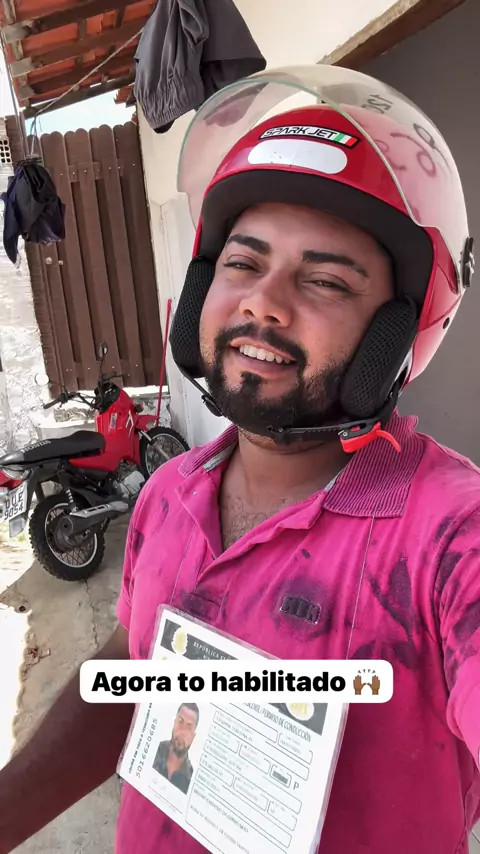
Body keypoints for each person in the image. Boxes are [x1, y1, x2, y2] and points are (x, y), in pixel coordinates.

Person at [0, 64, 478, 854]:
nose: (263, 302)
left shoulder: (449, 536)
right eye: (243, 264)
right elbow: (134, 667)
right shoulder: (168, 492)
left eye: (324, 280)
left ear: (394, 332)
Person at [152, 703, 199, 794]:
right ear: (174, 723)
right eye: (180, 721)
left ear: (193, 737)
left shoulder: (191, 781)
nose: (182, 731)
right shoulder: (153, 750)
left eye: (189, 726)